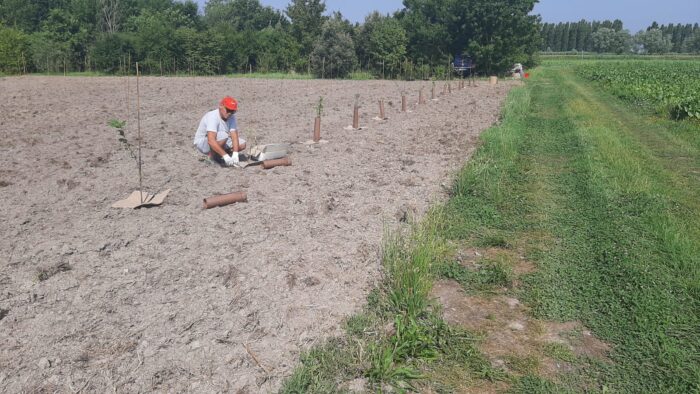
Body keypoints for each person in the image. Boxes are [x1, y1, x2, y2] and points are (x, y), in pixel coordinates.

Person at [193, 96, 246, 166]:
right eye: (228, 110)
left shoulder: (231, 117)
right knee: (223, 135)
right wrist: (226, 156)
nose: (230, 113)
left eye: (232, 111)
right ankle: (211, 157)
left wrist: (235, 154)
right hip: (203, 143)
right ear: (221, 106)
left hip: (220, 140)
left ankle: (220, 156)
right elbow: (211, 141)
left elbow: (234, 136)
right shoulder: (213, 116)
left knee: (242, 144)